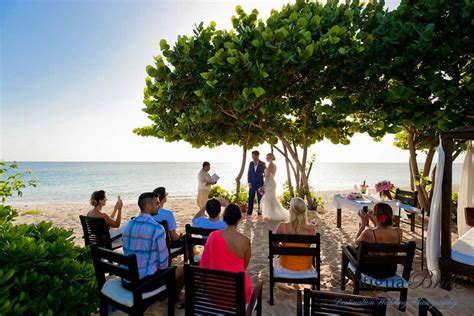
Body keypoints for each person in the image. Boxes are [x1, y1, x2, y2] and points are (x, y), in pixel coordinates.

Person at [122, 192, 184, 299]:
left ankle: (166, 293)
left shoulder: (128, 225)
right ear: (148, 206)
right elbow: (163, 265)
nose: (159, 206)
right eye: (157, 203)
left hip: (127, 280)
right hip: (143, 284)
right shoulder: (157, 228)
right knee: (183, 269)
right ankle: (173, 297)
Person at [199, 203, 252, 304]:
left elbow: (204, 264)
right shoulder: (245, 241)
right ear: (239, 219)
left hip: (214, 291)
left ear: (224, 218)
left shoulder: (212, 236)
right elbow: (243, 267)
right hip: (237, 292)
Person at [345, 203, 403, 279]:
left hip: (375, 271)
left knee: (348, 249)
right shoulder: (399, 231)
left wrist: (363, 224)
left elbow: (356, 241)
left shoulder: (369, 233)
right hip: (391, 270)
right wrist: (374, 220)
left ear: (376, 216)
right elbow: (382, 229)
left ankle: (348, 275)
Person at [275, 197, 315, 271]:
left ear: (291, 211)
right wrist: (310, 225)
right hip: (305, 265)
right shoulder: (311, 228)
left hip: (286, 264)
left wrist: (281, 246)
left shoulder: (282, 226)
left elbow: (274, 245)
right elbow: (308, 245)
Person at [260, 153, 289, 221]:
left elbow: (267, 176)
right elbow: (271, 175)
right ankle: (271, 214)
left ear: (270, 157)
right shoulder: (274, 165)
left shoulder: (270, 164)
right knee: (271, 198)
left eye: (267, 157)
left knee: (269, 198)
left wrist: (263, 186)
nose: (266, 158)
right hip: (272, 182)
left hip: (269, 183)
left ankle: (272, 215)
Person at [247, 150, 266, 218]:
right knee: (250, 199)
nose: (252, 157)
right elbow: (249, 173)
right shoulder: (251, 163)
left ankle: (260, 213)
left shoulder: (263, 163)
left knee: (260, 200)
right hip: (252, 184)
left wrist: (263, 177)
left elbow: (266, 173)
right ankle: (249, 213)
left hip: (260, 184)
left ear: (257, 155)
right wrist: (249, 182)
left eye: (253, 155)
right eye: (252, 155)